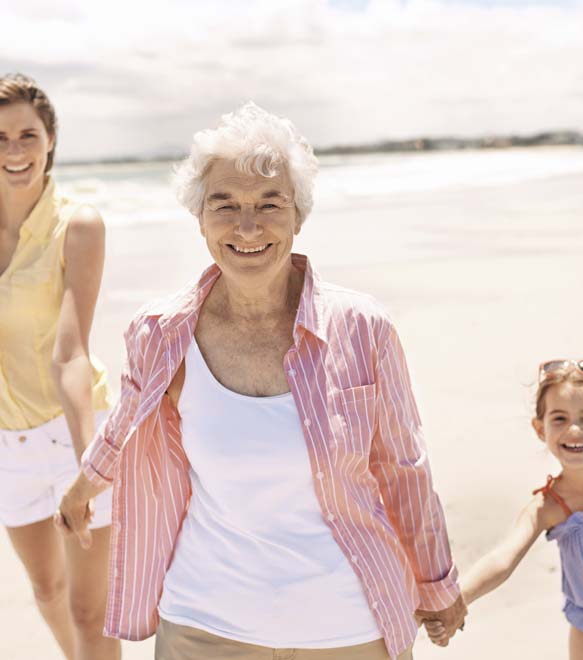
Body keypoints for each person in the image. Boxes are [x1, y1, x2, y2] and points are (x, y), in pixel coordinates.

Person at [58, 102, 465, 660]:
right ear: (200, 218)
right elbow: (125, 421)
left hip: (347, 627)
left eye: (269, 204)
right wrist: (83, 486)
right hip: (204, 625)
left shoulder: (362, 328)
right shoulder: (161, 331)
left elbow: (404, 467)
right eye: (224, 205)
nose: (246, 226)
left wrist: (437, 582)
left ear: (298, 216)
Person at [0, 74, 119, 660]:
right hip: (6, 445)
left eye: (27, 134)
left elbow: (70, 352)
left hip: (70, 432)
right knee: (46, 591)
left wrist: (88, 466)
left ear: (50, 140)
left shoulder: (79, 224)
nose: (15, 151)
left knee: (89, 612)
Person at [424, 359, 583, 659]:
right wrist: (456, 600)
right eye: (559, 418)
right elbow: (501, 560)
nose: (574, 429)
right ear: (539, 428)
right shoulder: (548, 506)